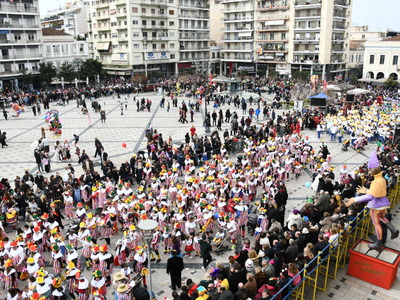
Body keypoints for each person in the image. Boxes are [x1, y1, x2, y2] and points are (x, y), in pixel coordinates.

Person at [346, 151, 399, 251]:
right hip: (383, 203)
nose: (369, 172)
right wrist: (366, 190)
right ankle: (393, 229)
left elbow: (370, 197)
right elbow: (376, 192)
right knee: (382, 217)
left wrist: (355, 199)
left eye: (370, 170)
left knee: (376, 223)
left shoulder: (375, 181)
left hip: (376, 205)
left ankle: (378, 243)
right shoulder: (382, 179)